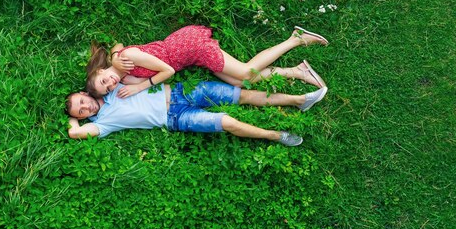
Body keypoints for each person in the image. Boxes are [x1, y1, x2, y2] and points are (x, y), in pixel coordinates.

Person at [86, 25, 328, 98]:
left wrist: (140, 85)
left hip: (189, 46)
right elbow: (115, 47)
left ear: (98, 71)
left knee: (245, 72)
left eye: (103, 80)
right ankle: (298, 71)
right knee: (241, 84)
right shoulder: (121, 69)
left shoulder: (125, 59)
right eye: (108, 88)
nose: (110, 83)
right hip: (190, 58)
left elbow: (167, 70)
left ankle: (295, 39)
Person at [66, 80, 328, 146]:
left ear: (87, 93)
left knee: (242, 95)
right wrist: (73, 118)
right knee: (227, 121)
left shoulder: (111, 86)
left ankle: (299, 100)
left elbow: (118, 49)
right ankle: (275, 135)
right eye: (81, 110)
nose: (85, 107)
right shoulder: (103, 123)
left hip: (185, 92)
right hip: (176, 119)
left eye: (82, 101)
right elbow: (75, 133)